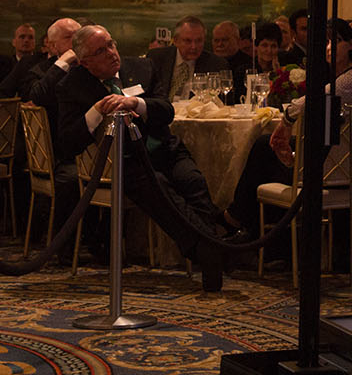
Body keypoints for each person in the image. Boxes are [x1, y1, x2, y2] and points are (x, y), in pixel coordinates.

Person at [54, 25, 226, 290]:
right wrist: (96, 111)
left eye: (111, 44)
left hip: (165, 148)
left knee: (193, 182)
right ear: (85, 63)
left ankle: (207, 251)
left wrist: (137, 104)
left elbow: (166, 110)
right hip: (124, 161)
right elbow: (66, 142)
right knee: (160, 188)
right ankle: (211, 253)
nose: (112, 53)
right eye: (101, 51)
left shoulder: (141, 68)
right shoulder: (72, 85)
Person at [226, 19, 352, 252]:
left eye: (335, 41)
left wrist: (285, 122)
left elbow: (309, 102)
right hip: (333, 157)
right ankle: (251, 233)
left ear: (350, 45)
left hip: (345, 167)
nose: (328, 47)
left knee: (265, 156)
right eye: (324, 42)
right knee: (266, 149)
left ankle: (242, 226)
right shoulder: (334, 76)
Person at [145, 15, 231, 102]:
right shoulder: (156, 58)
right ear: (176, 41)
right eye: (188, 41)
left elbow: (223, 103)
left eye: (198, 41)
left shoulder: (216, 64)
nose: (193, 46)